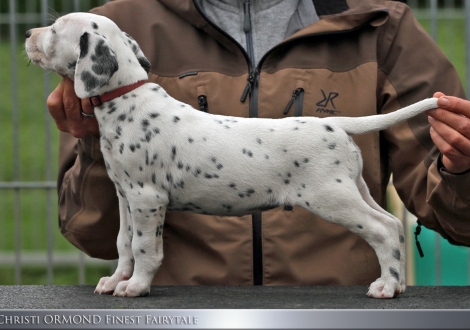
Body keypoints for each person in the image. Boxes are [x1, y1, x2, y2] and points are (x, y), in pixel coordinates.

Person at [47, 0, 470, 286]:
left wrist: (463, 167)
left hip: (334, 310)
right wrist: (94, 144)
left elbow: (457, 220)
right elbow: (90, 233)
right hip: (182, 310)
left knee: (356, 210)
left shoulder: (380, 24)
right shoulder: (114, 30)